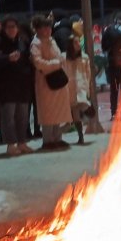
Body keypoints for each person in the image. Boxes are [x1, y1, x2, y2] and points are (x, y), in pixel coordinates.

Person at [0, 15, 34, 156]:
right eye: (9, 27)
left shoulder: (22, 42)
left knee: (22, 116)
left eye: (14, 27)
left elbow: (27, 59)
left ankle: (22, 142)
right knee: (8, 117)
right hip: (5, 87)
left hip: (21, 86)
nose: (12, 30)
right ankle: (10, 145)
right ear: (4, 28)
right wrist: (7, 59)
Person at [29, 14, 71, 150]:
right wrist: (56, 63)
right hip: (46, 82)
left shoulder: (51, 40)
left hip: (58, 80)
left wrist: (61, 60)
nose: (48, 30)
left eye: (49, 27)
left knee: (58, 111)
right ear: (37, 29)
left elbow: (59, 56)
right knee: (47, 113)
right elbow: (38, 63)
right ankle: (48, 140)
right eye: (44, 28)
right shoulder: (36, 44)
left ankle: (57, 138)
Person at [65, 28, 92, 145]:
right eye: (75, 42)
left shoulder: (84, 57)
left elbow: (88, 73)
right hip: (70, 87)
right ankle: (80, 135)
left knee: (84, 104)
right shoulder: (64, 58)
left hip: (81, 86)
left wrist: (89, 86)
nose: (78, 44)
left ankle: (87, 113)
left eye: (78, 42)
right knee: (75, 111)